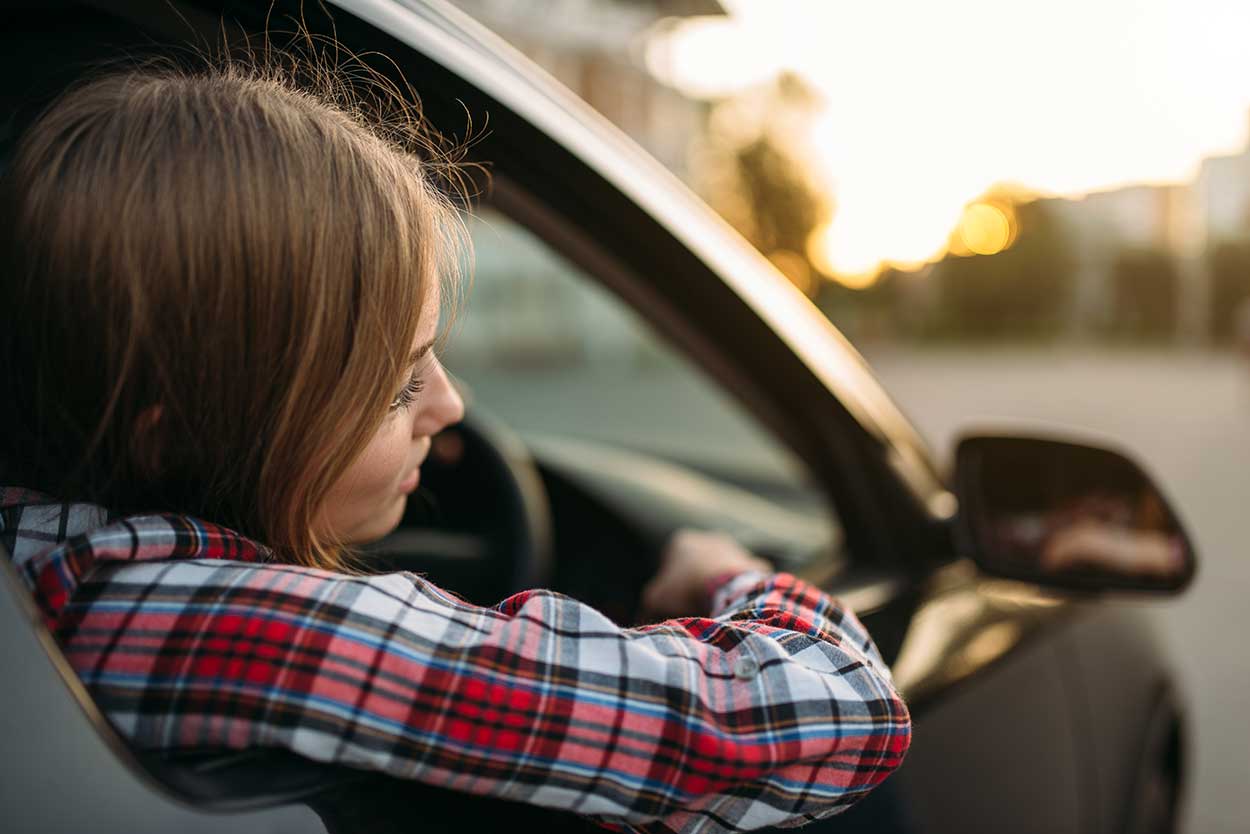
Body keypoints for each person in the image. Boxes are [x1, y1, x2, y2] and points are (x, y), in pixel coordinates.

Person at [0, 53, 910, 834]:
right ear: (178, 437)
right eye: (397, 383)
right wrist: (730, 576)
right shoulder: (229, 622)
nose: (450, 406)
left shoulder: (46, 572)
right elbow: (841, 712)